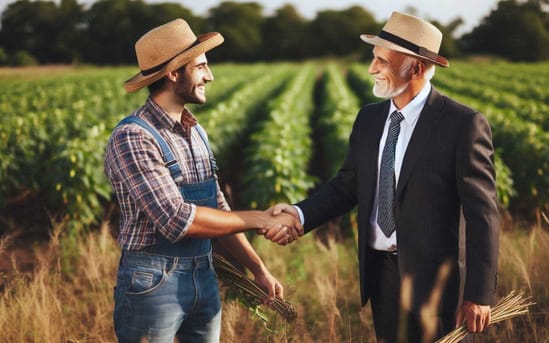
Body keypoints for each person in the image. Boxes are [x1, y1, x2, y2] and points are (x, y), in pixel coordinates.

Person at [265, 11, 500, 343]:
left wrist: (479, 294)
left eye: (381, 61)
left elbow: (483, 215)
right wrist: (299, 214)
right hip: (381, 276)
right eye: (373, 59)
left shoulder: (462, 124)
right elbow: (347, 186)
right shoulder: (369, 119)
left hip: (436, 284)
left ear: (415, 68)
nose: (372, 68)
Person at [104, 19, 300, 342]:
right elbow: (176, 220)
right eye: (201, 67)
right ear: (173, 73)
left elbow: (217, 209)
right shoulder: (133, 137)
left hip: (204, 274)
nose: (210, 76)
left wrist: (257, 267)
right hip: (154, 282)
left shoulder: (196, 132)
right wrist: (258, 218)